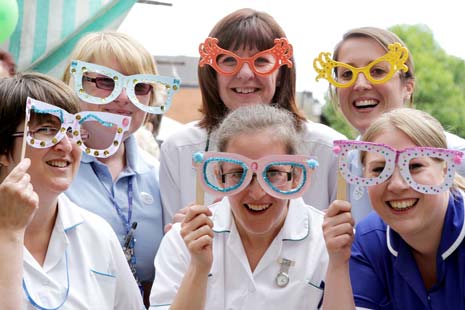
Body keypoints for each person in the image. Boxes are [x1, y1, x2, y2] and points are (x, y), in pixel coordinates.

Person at [160, 8, 346, 226]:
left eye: (260, 61)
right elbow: (173, 248)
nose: (245, 74)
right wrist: (179, 237)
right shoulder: (179, 148)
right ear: (213, 74)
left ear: (280, 75)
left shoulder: (327, 149)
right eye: (229, 61)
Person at [150, 104, 328, 309]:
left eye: (272, 173)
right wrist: (198, 268)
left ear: (295, 176)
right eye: (238, 174)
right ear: (219, 176)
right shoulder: (182, 242)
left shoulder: (326, 242)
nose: (257, 193)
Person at [0, 72, 143, 309]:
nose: (66, 145)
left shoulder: (97, 233)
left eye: (71, 131)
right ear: (3, 150)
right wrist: (10, 233)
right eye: (46, 130)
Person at [62, 31, 180, 305]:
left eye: (140, 87)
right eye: (106, 81)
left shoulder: (160, 175)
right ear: (73, 82)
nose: (125, 97)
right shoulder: (47, 167)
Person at [313, 26, 465, 222]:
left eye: (377, 71)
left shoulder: (456, 156)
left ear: (407, 87)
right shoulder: (338, 165)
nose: (360, 84)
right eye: (347, 74)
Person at [322, 108, 465, 309]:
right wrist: (337, 264)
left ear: (446, 169)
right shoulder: (368, 240)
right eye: (380, 169)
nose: (397, 184)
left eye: (415, 166)